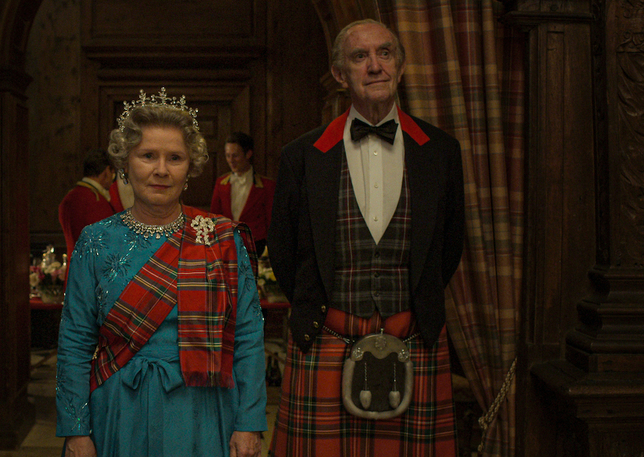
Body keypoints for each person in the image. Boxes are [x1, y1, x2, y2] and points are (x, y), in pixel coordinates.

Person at [268, 19, 464, 456]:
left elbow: (449, 247)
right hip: (326, 340)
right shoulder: (302, 155)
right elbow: (283, 251)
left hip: (414, 341)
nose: (375, 66)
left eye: (385, 54)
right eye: (360, 57)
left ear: (401, 65)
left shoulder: (440, 151)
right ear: (340, 74)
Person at [56, 88, 268, 457]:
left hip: (203, 409)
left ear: (190, 167)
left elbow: (249, 335)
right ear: (125, 162)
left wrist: (248, 421)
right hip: (119, 408)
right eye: (147, 156)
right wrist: (76, 429)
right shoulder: (96, 241)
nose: (161, 170)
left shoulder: (221, 238)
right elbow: (74, 341)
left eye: (175, 158)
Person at [210, 132, 276, 257]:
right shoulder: (221, 183)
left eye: (235, 156)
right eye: (228, 155)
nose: (230, 160)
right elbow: (214, 218)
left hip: (257, 247)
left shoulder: (267, 186)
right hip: (227, 246)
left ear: (248, 154)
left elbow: (271, 222)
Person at [58, 148, 117, 262]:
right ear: (106, 172)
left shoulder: (70, 197)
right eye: (112, 173)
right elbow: (106, 247)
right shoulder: (96, 201)